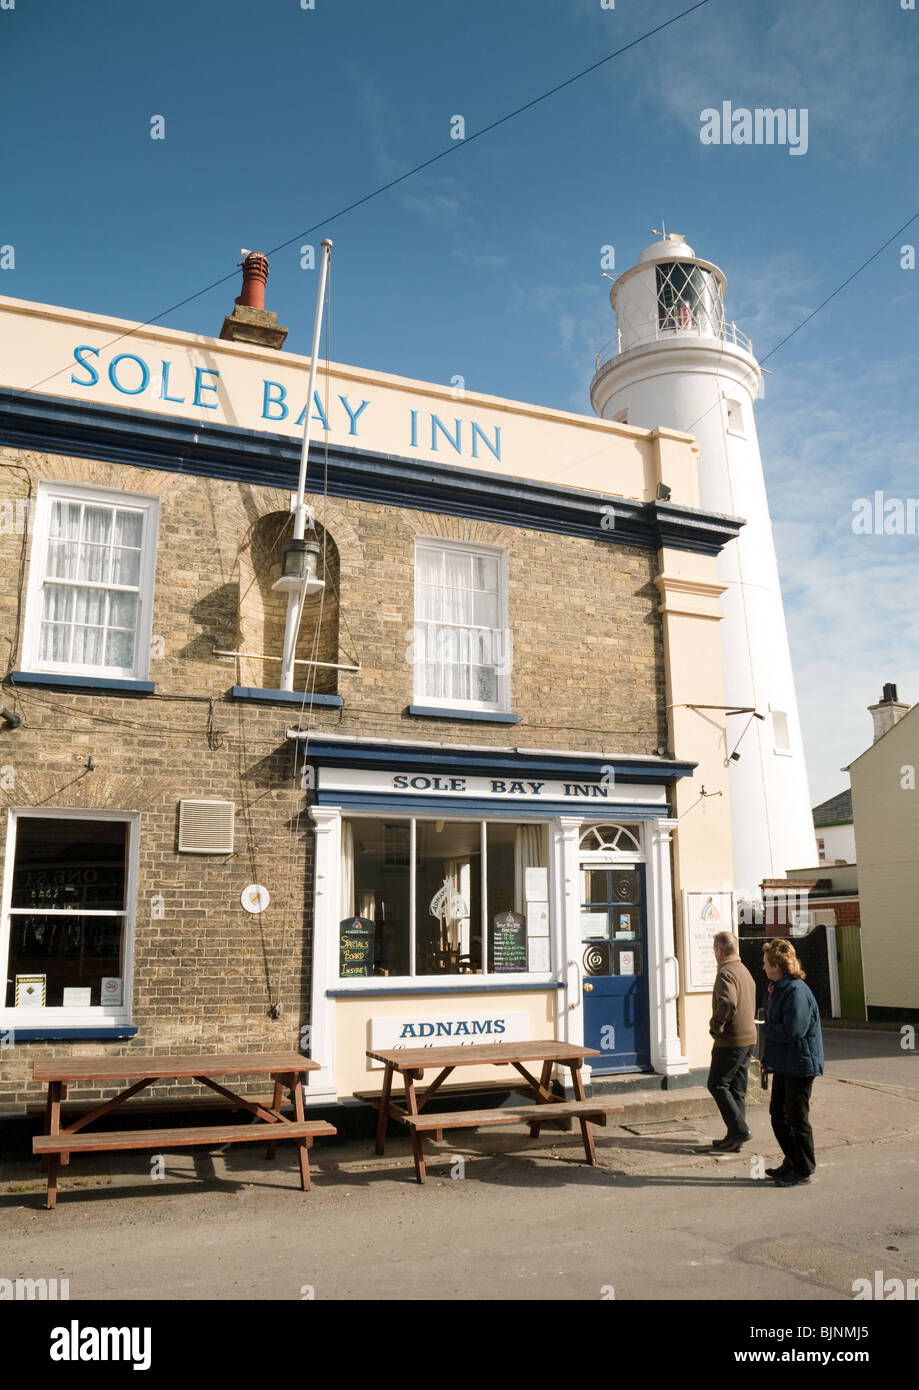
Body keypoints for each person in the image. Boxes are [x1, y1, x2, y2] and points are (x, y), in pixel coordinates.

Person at [761, 938, 824, 1186]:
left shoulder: (796, 992)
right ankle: (793, 1158)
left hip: (800, 1064)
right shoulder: (780, 988)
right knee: (778, 1114)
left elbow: (794, 1031)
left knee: (796, 1117)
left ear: (777, 966)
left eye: (766, 963)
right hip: (787, 1063)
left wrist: (766, 1029)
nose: (763, 967)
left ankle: (803, 1167)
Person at [707, 930, 757, 1151]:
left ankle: (739, 1130)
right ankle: (734, 1139)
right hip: (749, 1038)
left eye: (714, 949)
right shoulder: (743, 970)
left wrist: (716, 1025)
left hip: (732, 1040)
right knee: (736, 1089)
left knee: (717, 1083)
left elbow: (728, 1002)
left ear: (719, 951)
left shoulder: (725, 973)